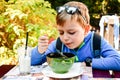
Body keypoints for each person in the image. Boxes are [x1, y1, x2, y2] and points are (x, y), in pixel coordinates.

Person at [31, 1, 120, 71]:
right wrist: (40, 51)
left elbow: (118, 61)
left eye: (71, 32)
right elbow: (32, 62)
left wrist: (89, 62)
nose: (65, 38)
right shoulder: (58, 44)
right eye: (61, 32)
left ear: (85, 30)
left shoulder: (95, 41)